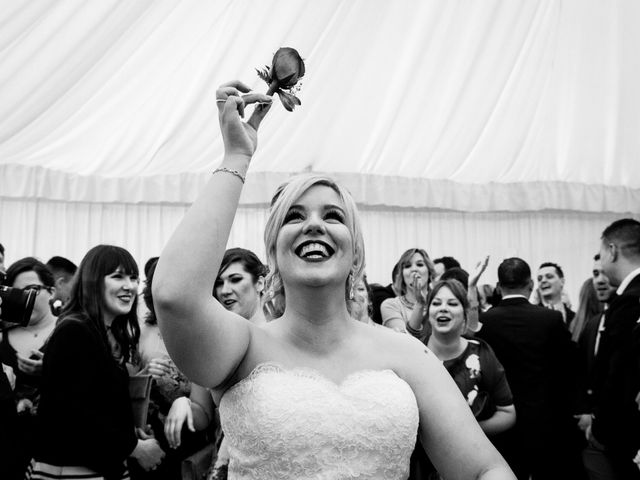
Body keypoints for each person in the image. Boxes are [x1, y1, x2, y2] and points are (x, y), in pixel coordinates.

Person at [153, 80, 515, 479]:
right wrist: (237, 155)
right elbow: (175, 296)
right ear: (272, 251)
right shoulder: (242, 346)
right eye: (294, 216)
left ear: (355, 252)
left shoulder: (409, 355)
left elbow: (483, 468)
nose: (313, 226)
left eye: (332, 216)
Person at [27, 245, 165, 480]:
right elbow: (72, 413)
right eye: (117, 276)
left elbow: (98, 404)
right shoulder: (74, 330)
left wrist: (131, 433)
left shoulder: (105, 333)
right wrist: (133, 447)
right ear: (92, 281)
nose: (129, 286)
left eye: (133, 278)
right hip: (71, 470)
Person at [164, 247, 268, 479]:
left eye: (235, 279)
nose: (225, 290)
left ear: (260, 283)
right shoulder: (212, 346)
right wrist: (183, 404)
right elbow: (202, 416)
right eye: (219, 283)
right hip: (228, 466)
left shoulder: (281, 337)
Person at [476, 257, 584, 479]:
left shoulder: (485, 322)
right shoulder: (551, 319)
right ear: (531, 284)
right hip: (546, 420)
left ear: (498, 286)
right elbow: (571, 366)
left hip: (502, 421)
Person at [135, 258, 208, 480]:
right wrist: (145, 373)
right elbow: (126, 380)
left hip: (192, 429)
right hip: (149, 429)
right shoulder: (142, 328)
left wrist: (184, 401)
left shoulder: (202, 330)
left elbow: (206, 407)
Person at [590, 219, 640, 479]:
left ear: (612, 250)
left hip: (626, 432)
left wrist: (600, 428)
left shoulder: (629, 301)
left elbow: (619, 373)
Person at [0, 257, 58, 476]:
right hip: (8, 450)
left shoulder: (71, 330)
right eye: (17, 292)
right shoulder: (2, 337)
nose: (26, 299)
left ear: (51, 291)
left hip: (55, 450)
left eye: (32, 290)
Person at [573, 254, 617, 480]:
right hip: (595, 435)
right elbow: (584, 373)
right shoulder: (593, 324)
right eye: (595, 274)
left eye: (605, 273)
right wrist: (586, 412)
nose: (600, 280)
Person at [380, 248, 435, 338]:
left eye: (420, 264)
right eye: (407, 266)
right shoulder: (391, 305)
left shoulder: (439, 303)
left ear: (429, 271)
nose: (414, 269)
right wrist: (419, 304)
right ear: (402, 274)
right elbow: (404, 342)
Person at [534, 262, 575, 327]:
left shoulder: (575, 318)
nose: (543, 280)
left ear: (562, 281)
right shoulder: (532, 316)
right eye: (539, 279)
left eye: (549, 277)